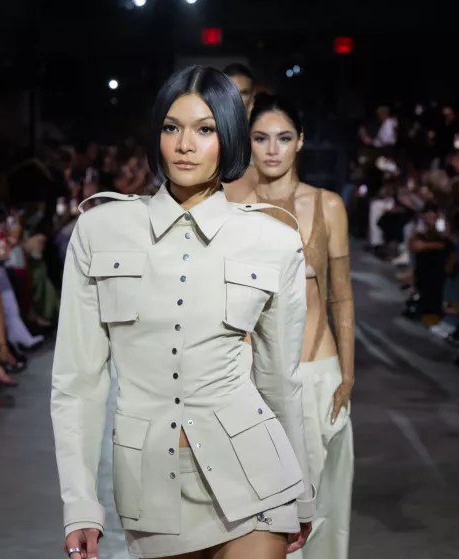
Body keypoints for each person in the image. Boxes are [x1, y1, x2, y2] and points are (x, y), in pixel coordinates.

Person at [51, 65, 315, 559]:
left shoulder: (272, 240)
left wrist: (301, 490)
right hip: (153, 486)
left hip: (256, 477)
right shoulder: (101, 229)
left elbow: (280, 379)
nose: (185, 144)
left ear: (229, 138)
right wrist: (80, 505)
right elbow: (78, 382)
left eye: (205, 129)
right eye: (172, 127)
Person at [247, 93, 355, 559]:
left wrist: (348, 374)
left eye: (284, 138)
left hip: (317, 372)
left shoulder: (328, 205)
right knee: (261, 512)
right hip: (250, 380)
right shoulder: (230, 205)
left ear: (301, 142)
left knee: (323, 510)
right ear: (247, 143)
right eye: (261, 138)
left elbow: (341, 294)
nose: (273, 149)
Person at [223, 63, 259, 205]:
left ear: (252, 97)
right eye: (231, 92)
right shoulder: (204, 138)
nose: (236, 99)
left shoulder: (266, 139)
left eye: (243, 93)